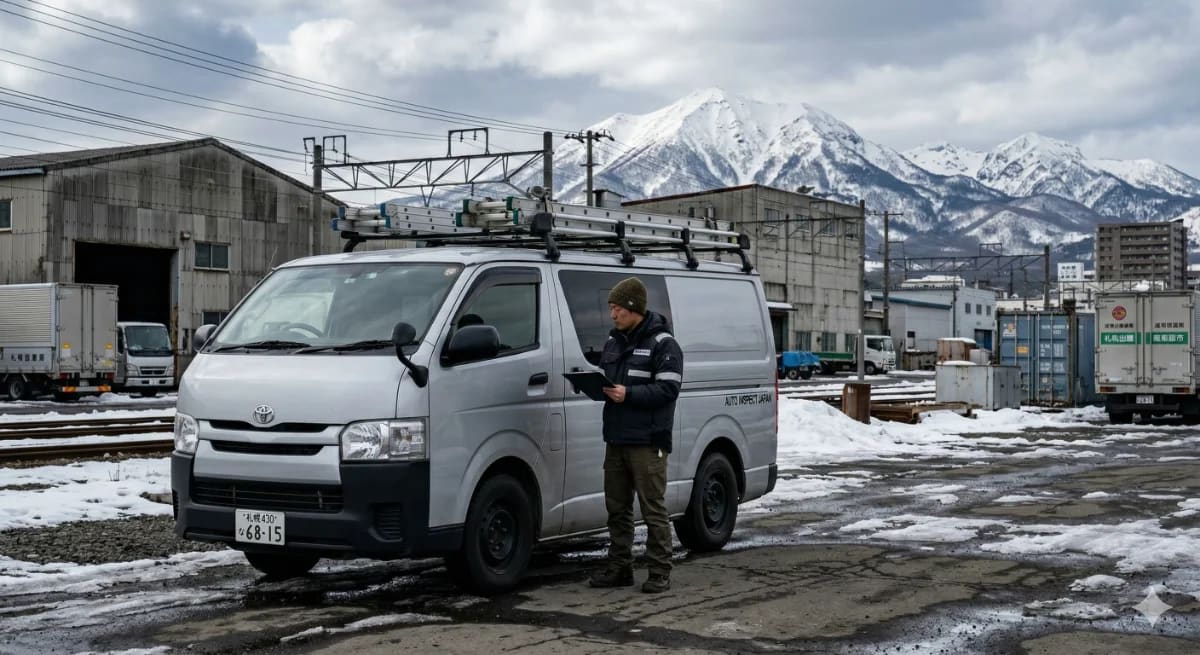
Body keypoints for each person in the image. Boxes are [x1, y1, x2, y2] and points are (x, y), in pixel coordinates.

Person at [587, 276, 684, 594]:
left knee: (652, 507)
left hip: (647, 441)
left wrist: (627, 394)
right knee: (617, 508)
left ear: (633, 308)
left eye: (617, 309)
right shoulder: (614, 343)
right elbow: (610, 383)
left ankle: (659, 571)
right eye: (610, 309)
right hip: (616, 438)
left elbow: (669, 389)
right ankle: (620, 568)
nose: (612, 315)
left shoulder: (664, 344)